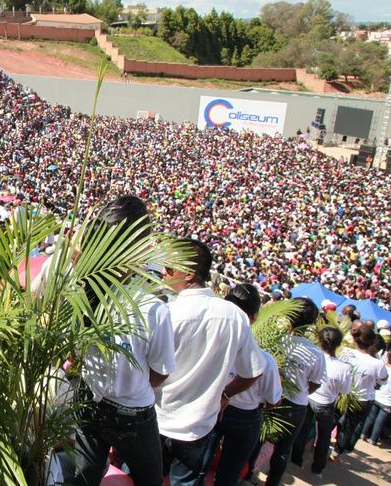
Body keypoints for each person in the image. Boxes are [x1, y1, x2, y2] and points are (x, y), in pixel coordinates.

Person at [72, 196, 175, 486]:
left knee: (86, 475)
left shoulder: (76, 287)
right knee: (150, 480)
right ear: (137, 249)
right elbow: (161, 371)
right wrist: (133, 382)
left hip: (88, 395)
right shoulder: (152, 308)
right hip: (132, 411)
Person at [156, 239, 265, 486]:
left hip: (158, 418)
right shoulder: (234, 315)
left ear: (189, 274)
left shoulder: (167, 313)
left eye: (169, 268)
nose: (163, 272)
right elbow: (253, 371)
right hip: (199, 425)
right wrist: (224, 394)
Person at [212, 284, 281, 486]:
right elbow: (273, 401)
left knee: (200, 461)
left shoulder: (211, 344)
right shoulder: (266, 361)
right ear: (255, 316)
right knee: (230, 470)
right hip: (245, 417)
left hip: (211, 406)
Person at [264, 298, 324, 486]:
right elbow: (315, 383)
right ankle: (272, 483)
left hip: (270, 397)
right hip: (295, 405)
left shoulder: (276, 340)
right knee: (283, 448)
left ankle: (249, 472)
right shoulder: (315, 353)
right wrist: (301, 390)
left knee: (259, 439)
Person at [293, 326, 352, 476]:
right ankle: (317, 468)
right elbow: (345, 390)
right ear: (338, 344)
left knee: (302, 430)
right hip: (326, 403)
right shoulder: (343, 368)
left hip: (308, 397)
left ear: (320, 340)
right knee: (323, 436)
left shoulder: (312, 356)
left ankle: (296, 460)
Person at [332, 323, 388, 460]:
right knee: (349, 427)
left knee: (332, 419)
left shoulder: (346, 352)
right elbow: (384, 378)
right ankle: (336, 453)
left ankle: (318, 442)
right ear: (372, 342)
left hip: (341, 392)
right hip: (362, 399)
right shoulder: (377, 363)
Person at [360, 348, 391, 445]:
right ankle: (373, 440)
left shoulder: (381, 368)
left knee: (370, 417)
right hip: (388, 402)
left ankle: (363, 434)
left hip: (376, 396)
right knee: (380, 421)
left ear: (387, 357)